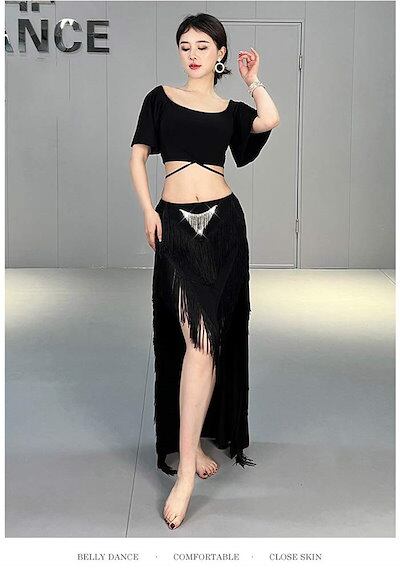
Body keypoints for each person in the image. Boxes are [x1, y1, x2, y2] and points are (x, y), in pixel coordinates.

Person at [129, 12, 279, 531]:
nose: (192, 53)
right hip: (175, 225)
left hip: (224, 227)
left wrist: (253, 80)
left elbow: (269, 119)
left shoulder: (230, 110)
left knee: (207, 343)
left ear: (220, 54)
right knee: (195, 342)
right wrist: (148, 211)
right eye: (185, 45)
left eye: (202, 46)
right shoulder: (159, 99)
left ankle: (190, 458)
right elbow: (137, 157)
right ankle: (187, 466)